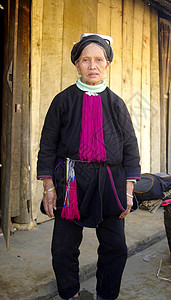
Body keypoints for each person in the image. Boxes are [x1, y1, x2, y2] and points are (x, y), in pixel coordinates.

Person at [37, 33, 141, 300]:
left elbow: (130, 147)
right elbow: (48, 144)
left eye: (98, 59)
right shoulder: (63, 100)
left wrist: (128, 191)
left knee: (115, 246)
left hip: (109, 181)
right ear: (76, 64)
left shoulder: (116, 104)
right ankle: (70, 294)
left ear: (107, 63)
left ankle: (105, 295)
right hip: (71, 181)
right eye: (86, 60)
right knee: (63, 247)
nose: (92, 66)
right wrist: (49, 188)